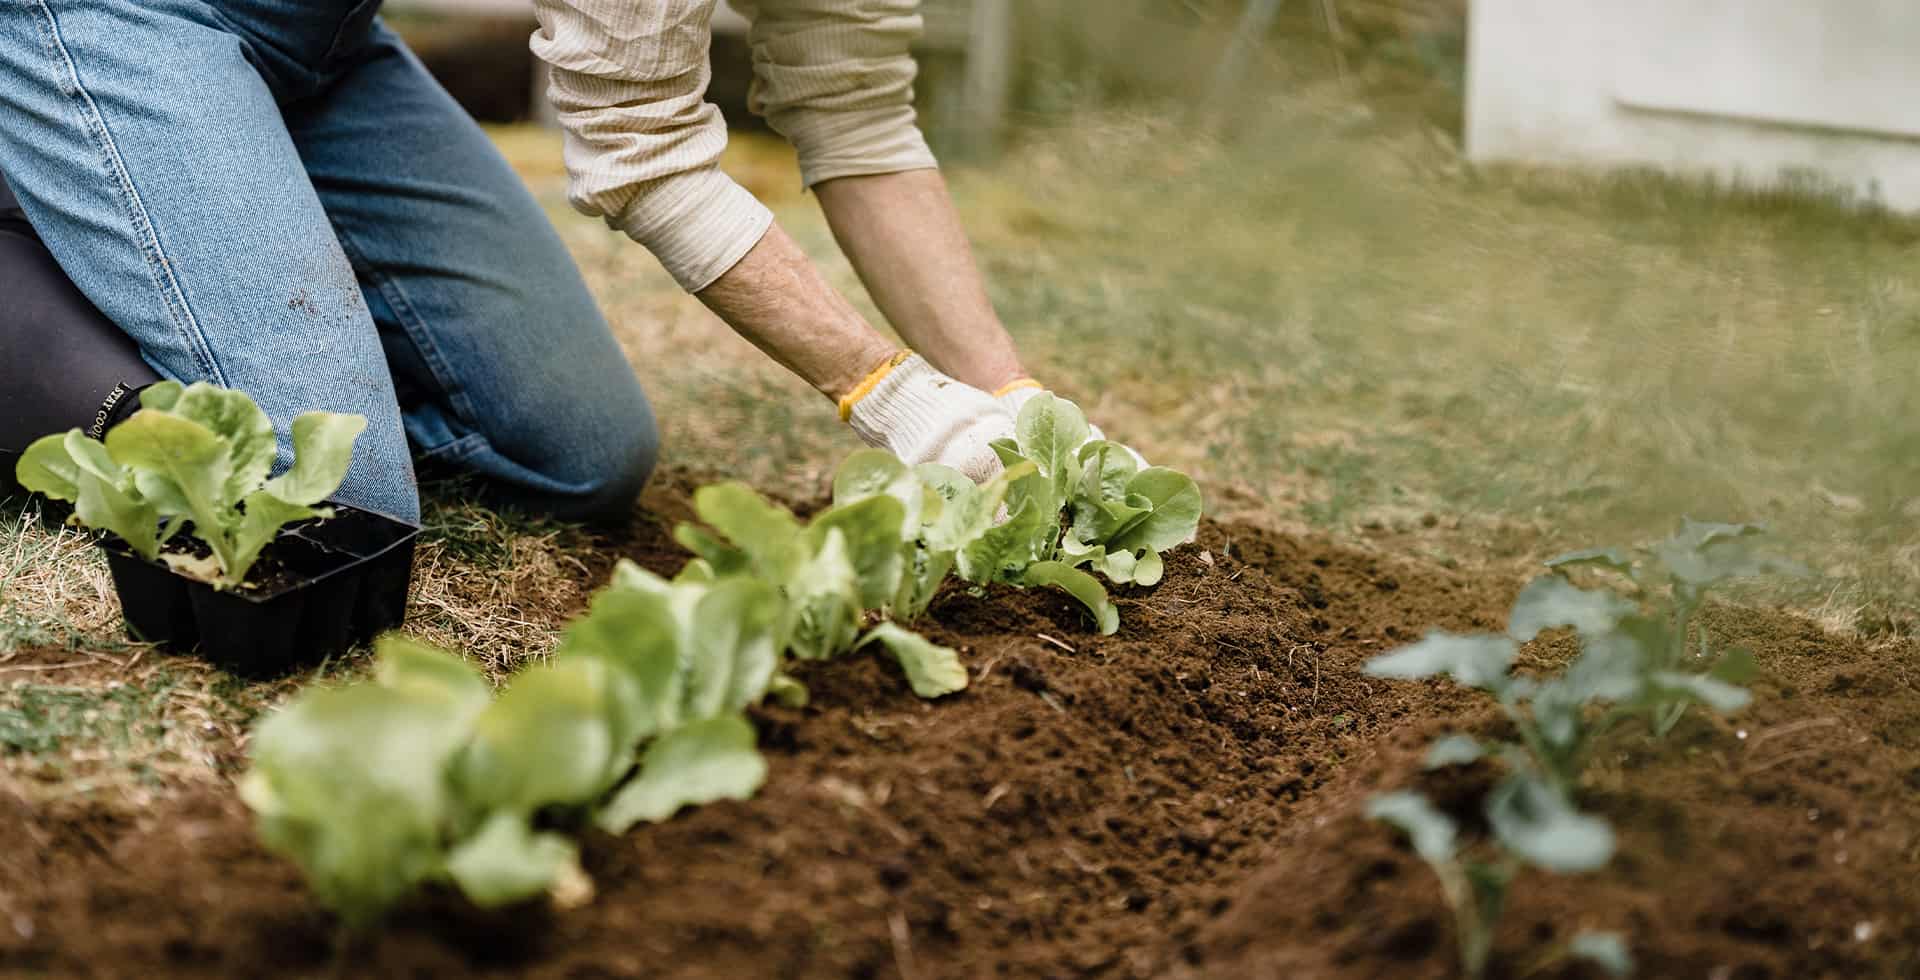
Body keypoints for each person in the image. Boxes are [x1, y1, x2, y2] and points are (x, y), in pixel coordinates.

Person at [0, 0, 1091, 524]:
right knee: (341, 512)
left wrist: (1013, 399)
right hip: (116, 8)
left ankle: (174, 211)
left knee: (580, 452)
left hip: (322, 39)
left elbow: (856, 115)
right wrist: (896, 397)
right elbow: (644, 154)